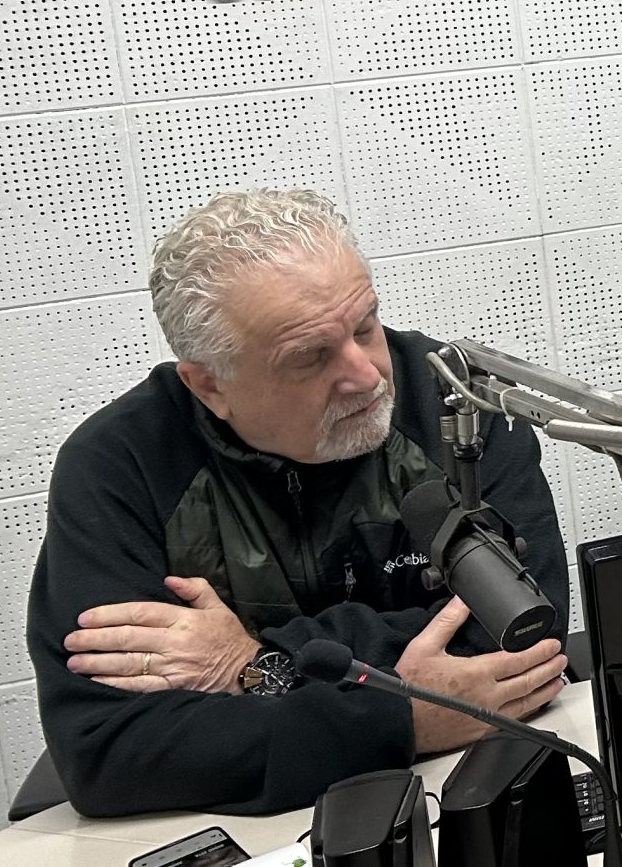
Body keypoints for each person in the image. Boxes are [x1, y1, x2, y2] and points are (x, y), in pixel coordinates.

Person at [28, 190, 570, 816]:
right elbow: (109, 750)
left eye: (365, 326)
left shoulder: (456, 406)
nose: (367, 376)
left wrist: (255, 664)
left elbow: (525, 645)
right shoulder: (118, 465)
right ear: (211, 386)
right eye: (310, 357)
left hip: (477, 786)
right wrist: (400, 719)